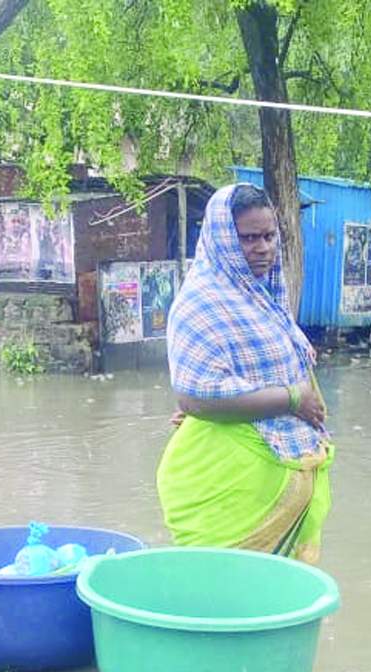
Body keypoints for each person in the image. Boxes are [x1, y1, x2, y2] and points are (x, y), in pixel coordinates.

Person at [156, 184, 332, 564]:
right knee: (225, 587)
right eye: (249, 238)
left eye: (269, 236)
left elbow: (241, 376)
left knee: (274, 592)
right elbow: (195, 396)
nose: (263, 248)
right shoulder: (200, 303)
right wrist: (293, 399)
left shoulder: (264, 297)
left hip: (277, 477)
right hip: (230, 492)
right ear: (222, 240)